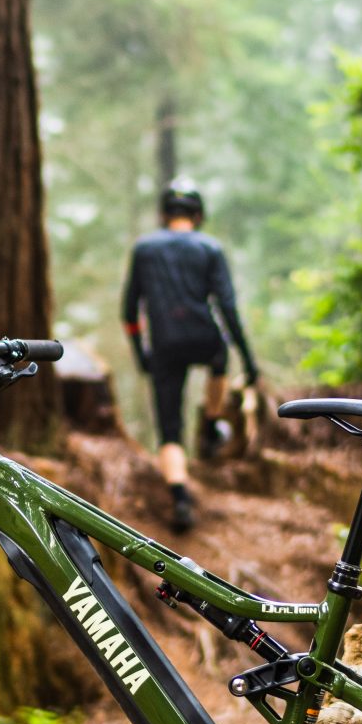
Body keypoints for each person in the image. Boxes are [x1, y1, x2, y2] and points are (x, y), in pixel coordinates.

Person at [121, 186, 259, 533]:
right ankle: (212, 425)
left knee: (170, 428)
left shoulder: (144, 249)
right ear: (197, 217)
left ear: (165, 215)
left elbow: (129, 311)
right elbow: (227, 308)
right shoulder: (210, 248)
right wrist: (248, 358)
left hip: (164, 345)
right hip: (204, 338)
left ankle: (181, 499)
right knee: (219, 358)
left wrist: (142, 354)